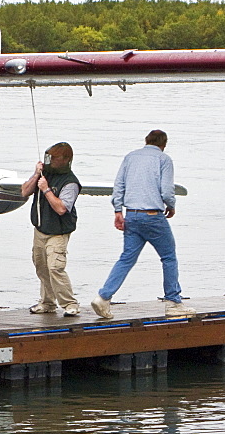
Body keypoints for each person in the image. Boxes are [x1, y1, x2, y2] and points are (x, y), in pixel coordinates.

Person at [91, 129, 196, 320]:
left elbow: (119, 185)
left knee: (126, 258)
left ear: (146, 141)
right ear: (164, 144)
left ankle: (103, 297)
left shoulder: (130, 157)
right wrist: (171, 206)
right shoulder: (164, 159)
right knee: (169, 257)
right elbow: (166, 191)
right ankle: (173, 302)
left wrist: (117, 211)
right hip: (153, 216)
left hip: (131, 215)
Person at [21, 142, 81, 316]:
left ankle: (70, 303)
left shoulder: (70, 182)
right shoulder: (44, 174)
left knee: (55, 267)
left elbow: (61, 208)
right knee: (41, 266)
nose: (51, 161)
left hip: (58, 231)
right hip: (40, 229)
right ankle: (47, 302)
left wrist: (46, 189)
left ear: (65, 160)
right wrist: (36, 174)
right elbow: (24, 192)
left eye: (55, 158)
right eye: (50, 157)